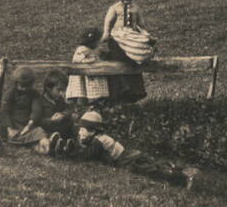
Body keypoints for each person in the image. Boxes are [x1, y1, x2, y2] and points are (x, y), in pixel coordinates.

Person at [71, 110, 202, 191]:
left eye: (83, 129)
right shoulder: (99, 138)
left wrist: (73, 154)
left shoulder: (98, 142)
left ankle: (183, 178)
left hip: (128, 160)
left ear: (92, 131)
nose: (80, 132)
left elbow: (88, 156)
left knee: (153, 172)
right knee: (155, 166)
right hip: (129, 155)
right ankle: (181, 170)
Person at [101, 0, 155, 104]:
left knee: (136, 55)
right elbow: (108, 22)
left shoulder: (136, 9)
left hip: (131, 37)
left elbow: (141, 25)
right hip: (118, 37)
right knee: (119, 60)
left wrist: (145, 35)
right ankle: (123, 88)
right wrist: (106, 33)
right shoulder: (114, 8)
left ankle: (135, 90)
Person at [0, 66, 53, 154]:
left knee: (39, 131)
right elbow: (5, 111)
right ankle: (40, 145)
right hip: (13, 126)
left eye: (27, 86)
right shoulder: (11, 93)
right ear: (16, 83)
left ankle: (45, 145)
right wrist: (9, 128)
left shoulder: (34, 94)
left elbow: (36, 110)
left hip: (28, 126)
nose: (24, 89)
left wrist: (29, 125)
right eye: (22, 86)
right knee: (14, 136)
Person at [65, 27, 109, 111]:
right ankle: (79, 108)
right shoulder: (82, 49)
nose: (98, 43)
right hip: (81, 76)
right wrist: (89, 60)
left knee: (90, 92)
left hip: (91, 75)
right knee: (81, 92)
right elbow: (77, 60)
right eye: (96, 41)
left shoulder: (95, 50)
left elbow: (100, 56)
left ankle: (93, 106)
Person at [37, 68, 77, 156]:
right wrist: (50, 120)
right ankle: (55, 144)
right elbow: (37, 120)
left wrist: (63, 115)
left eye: (64, 90)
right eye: (59, 90)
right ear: (48, 88)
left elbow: (68, 109)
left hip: (60, 128)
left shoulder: (60, 100)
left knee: (73, 120)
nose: (62, 93)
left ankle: (69, 144)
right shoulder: (40, 101)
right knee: (44, 133)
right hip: (47, 129)